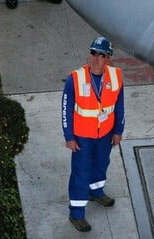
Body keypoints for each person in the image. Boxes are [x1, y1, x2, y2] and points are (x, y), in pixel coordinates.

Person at [62, 36, 125, 232]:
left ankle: (96, 191)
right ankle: (77, 214)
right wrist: (69, 136)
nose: (95, 58)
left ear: (108, 59)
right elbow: (66, 109)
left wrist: (118, 130)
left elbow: (120, 106)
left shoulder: (115, 77)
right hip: (82, 137)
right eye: (93, 53)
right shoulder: (75, 79)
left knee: (100, 165)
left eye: (101, 55)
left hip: (105, 135)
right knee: (80, 173)